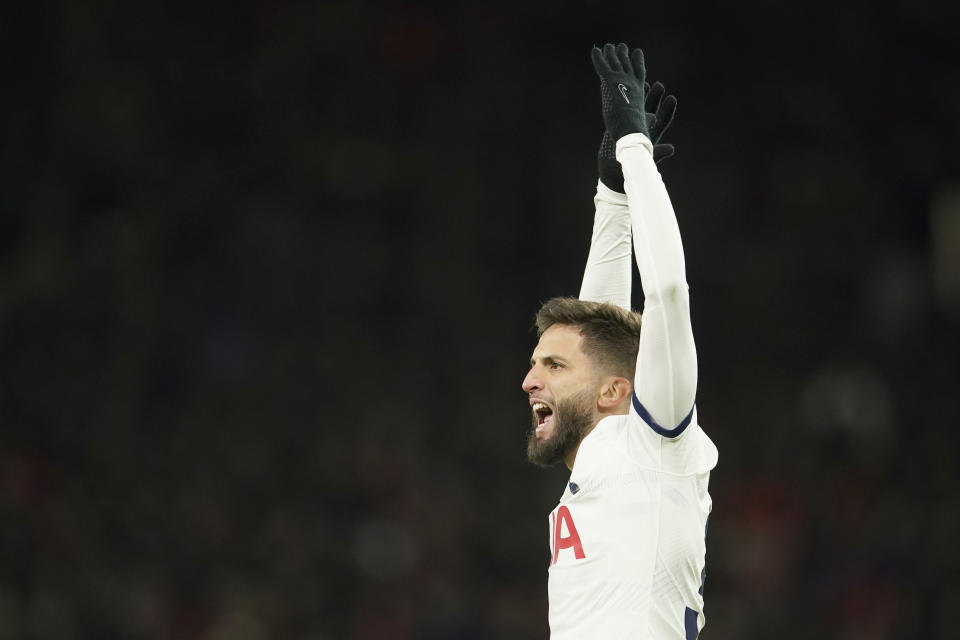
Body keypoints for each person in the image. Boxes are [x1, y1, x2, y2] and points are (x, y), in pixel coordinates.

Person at [521, 43, 718, 639]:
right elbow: (597, 327)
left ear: (615, 391)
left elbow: (668, 295)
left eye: (552, 366)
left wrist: (636, 150)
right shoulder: (602, 459)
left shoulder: (655, 443)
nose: (530, 380)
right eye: (537, 364)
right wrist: (613, 194)